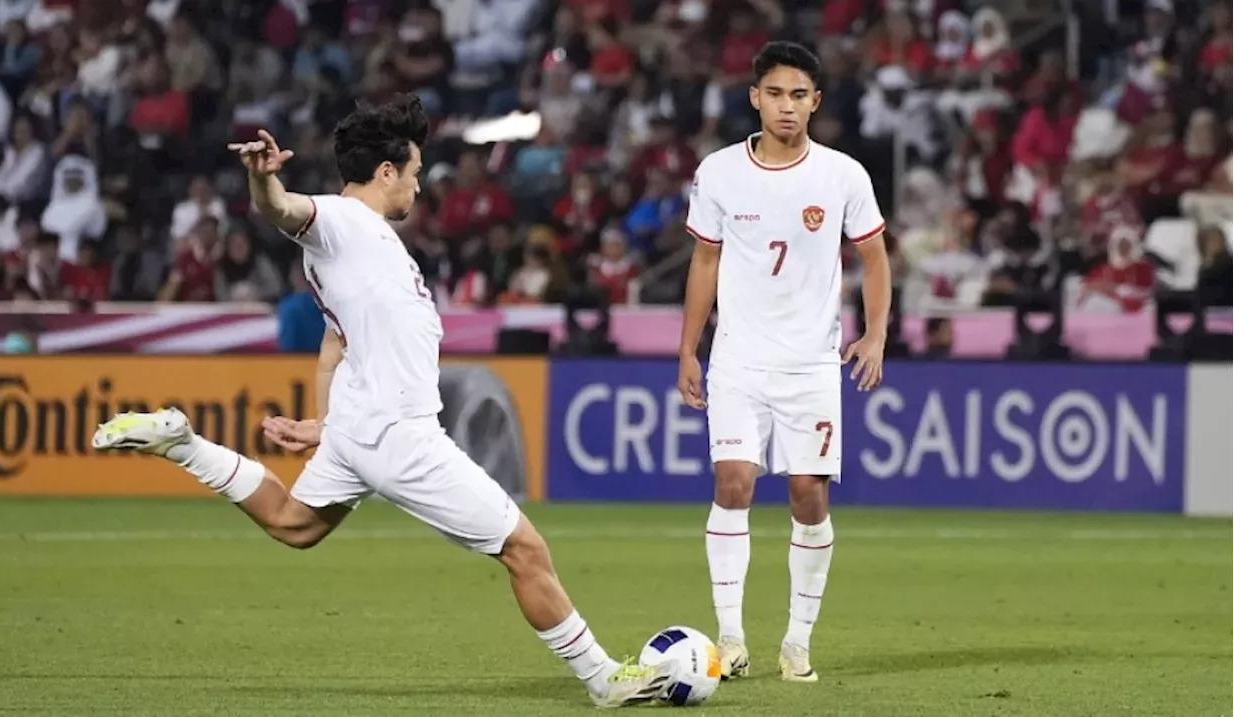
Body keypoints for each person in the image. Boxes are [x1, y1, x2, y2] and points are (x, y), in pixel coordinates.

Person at [89, 94, 672, 709]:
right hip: (398, 433)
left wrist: (327, 425)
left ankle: (184, 443)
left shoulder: (364, 249)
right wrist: (264, 181)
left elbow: (334, 343)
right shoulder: (344, 223)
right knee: (524, 548)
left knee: (295, 524)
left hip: (360, 426)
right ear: (387, 172)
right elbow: (284, 209)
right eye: (415, 174)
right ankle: (603, 677)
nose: (419, 188)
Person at [676, 41, 892, 683]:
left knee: (807, 496)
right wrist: (689, 347)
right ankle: (731, 638)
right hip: (739, 360)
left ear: (816, 102)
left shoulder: (843, 175)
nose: (787, 107)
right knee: (733, 482)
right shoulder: (718, 172)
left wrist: (876, 335)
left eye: (799, 95)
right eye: (775, 94)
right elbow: (705, 261)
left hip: (811, 366)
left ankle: (796, 642)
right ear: (755, 98)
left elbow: (875, 259)